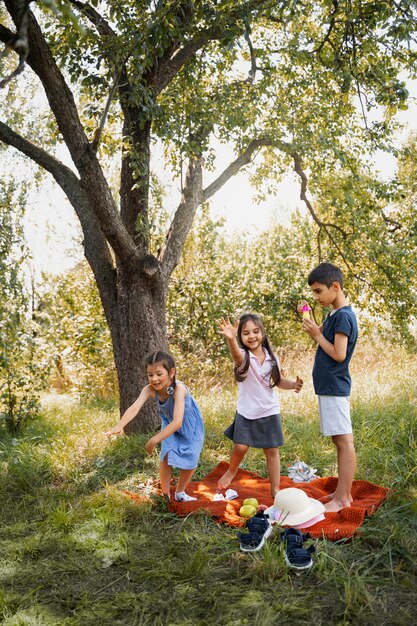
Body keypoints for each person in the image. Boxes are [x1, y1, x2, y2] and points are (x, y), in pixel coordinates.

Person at [218, 313, 303, 497]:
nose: (252, 336)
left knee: (272, 450)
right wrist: (231, 339)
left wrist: (293, 385)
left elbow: (278, 381)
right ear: (241, 337)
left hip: (269, 410)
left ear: (262, 332)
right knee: (240, 447)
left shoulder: (271, 358)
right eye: (246, 333)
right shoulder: (244, 357)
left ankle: (275, 488)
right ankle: (232, 470)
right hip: (247, 411)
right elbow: (235, 355)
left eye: (256, 331)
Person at [105, 351, 204, 502]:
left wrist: (153, 440)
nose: (154, 379)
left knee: (191, 458)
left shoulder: (179, 389)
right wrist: (120, 426)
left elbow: (178, 421)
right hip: (168, 421)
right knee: (165, 455)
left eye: (159, 374)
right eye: (150, 375)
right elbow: (134, 408)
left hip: (189, 424)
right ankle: (165, 494)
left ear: (171, 372)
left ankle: (180, 492)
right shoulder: (149, 390)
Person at [301, 262, 358, 513]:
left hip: (335, 386)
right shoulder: (334, 314)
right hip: (328, 386)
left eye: (318, 291)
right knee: (339, 440)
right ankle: (340, 492)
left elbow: (338, 353)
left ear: (335, 287)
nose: (316, 297)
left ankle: (344, 498)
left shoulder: (344, 316)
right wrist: (312, 324)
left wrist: (316, 335)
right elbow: (322, 335)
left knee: (344, 442)